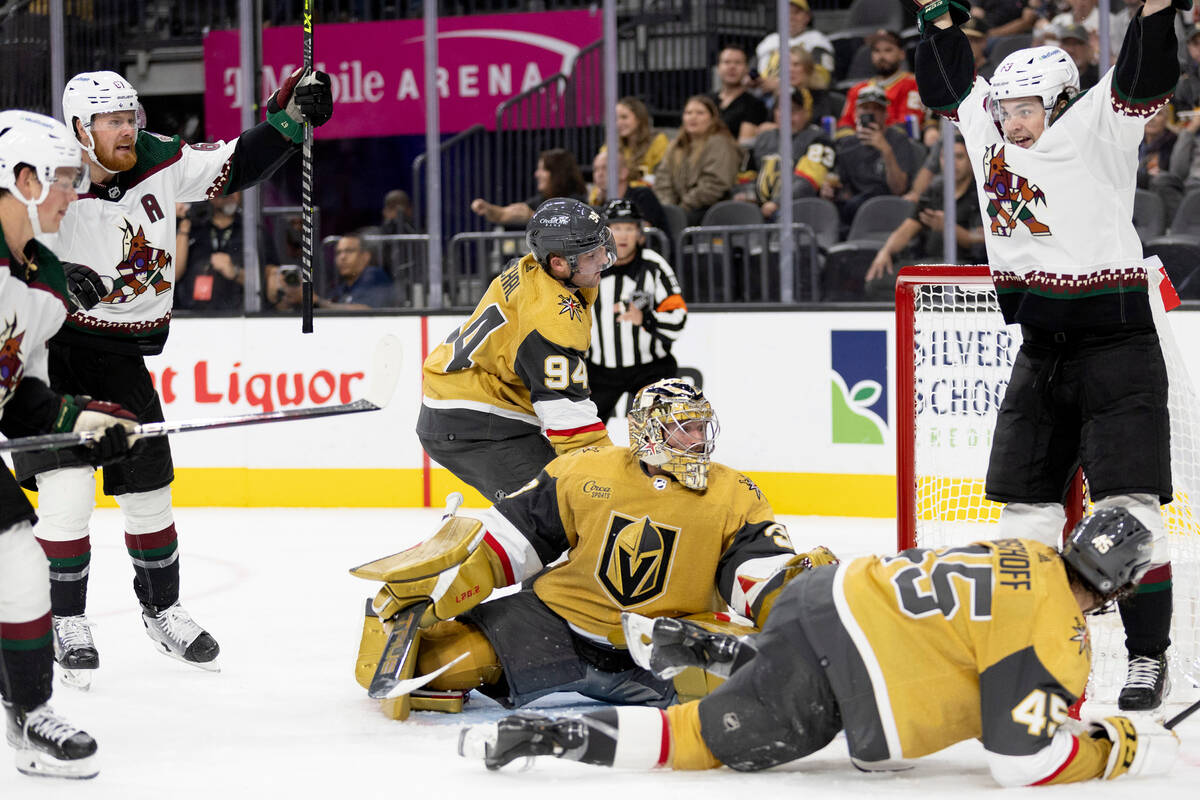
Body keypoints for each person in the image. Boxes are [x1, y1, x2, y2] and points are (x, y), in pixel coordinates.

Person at [10, 68, 333, 687]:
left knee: (149, 484)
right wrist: (48, 265)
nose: (128, 130)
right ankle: (65, 620)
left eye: (130, 117)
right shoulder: (48, 173)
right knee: (69, 494)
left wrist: (290, 121)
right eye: (113, 122)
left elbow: (236, 164)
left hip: (123, 356)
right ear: (80, 130)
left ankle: (162, 609)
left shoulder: (160, 158)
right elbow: (9, 231)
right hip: (55, 351)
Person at [464, 509, 1181, 787]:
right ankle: (550, 737)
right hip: (852, 665)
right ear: (1121, 589)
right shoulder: (1057, 632)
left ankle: (720, 652)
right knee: (702, 737)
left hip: (826, 595)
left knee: (837, 704)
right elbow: (1023, 761)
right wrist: (1116, 748)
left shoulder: (1022, 548)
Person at [911, 0, 1184, 710]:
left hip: (1117, 346)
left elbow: (1145, 74)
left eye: (1026, 107)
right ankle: (1029, 652)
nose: (1011, 121)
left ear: (1063, 101)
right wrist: (938, 22)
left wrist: (1156, 11)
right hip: (1039, 350)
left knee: (1128, 515)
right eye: (1005, 108)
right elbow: (947, 89)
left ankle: (1147, 657)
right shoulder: (992, 128)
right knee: (1023, 519)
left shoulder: (1100, 124)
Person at [357, 379, 837, 717]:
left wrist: (794, 593)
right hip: (559, 623)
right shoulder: (587, 471)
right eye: (682, 427)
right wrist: (446, 581)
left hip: (659, 639)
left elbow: (756, 570)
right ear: (647, 429)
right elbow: (513, 540)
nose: (695, 440)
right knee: (438, 667)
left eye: (700, 427)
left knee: (766, 683)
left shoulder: (735, 493)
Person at [0, 108, 140, 779]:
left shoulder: (40, 282)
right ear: (19, 178)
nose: (69, 194)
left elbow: (18, 392)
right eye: (58, 179)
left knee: (20, 562)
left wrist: (82, 423)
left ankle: (30, 719)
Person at [417, 199, 615, 503]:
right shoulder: (550, 320)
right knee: (556, 508)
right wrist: (616, 475)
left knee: (565, 496)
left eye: (602, 247)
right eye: (591, 255)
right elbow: (569, 421)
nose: (603, 260)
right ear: (559, 263)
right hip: (474, 418)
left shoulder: (539, 268)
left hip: (474, 403)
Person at [586, 200, 687, 420]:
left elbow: (678, 319)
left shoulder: (654, 266)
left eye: (629, 228)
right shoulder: (588, 265)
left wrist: (645, 318)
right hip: (598, 370)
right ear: (605, 233)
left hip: (650, 369)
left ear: (640, 234)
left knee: (658, 438)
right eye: (617, 228)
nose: (623, 236)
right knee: (584, 436)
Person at [865, 136, 986, 298]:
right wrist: (885, 251)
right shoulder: (934, 191)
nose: (952, 163)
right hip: (930, 264)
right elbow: (907, 229)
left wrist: (948, 228)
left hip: (968, 268)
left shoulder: (982, 193)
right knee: (877, 281)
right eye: (946, 157)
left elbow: (980, 238)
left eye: (959, 157)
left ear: (971, 160)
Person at [828, 85, 925, 225]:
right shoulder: (847, 144)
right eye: (865, 108)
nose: (871, 113)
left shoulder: (898, 140)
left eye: (877, 109)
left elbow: (899, 189)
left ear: (886, 114)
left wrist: (886, 150)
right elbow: (840, 186)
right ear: (855, 113)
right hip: (856, 209)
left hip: (889, 205)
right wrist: (829, 190)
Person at [737, 87, 835, 220]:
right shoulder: (763, 138)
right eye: (781, 108)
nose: (786, 114)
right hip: (758, 211)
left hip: (798, 211)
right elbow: (746, 175)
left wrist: (776, 203)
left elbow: (807, 181)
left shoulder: (819, 139)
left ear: (806, 112)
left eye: (793, 110)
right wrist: (747, 196)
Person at [653, 95, 742, 226]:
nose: (693, 117)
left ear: (712, 119)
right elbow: (662, 180)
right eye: (688, 113)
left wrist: (683, 206)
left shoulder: (720, 143)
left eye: (700, 113)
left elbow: (715, 184)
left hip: (709, 210)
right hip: (679, 209)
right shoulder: (675, 146)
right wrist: (669, 207)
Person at [174, 192, 252, 312]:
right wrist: (185, 222)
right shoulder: (193, 226)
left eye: (236, 190)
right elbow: (174, 274)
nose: (231, 194)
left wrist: (236, 272)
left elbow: (265, 281)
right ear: (211, 197)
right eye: (226, 192)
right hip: (189, 314)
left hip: (237, 313)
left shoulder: (250, 229)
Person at [470, 149, 587, 229]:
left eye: (542, 169)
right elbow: (502, 214)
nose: (536, 174)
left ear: (558, 173)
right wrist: (488, 208)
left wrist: (533, 216)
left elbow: (572, 225)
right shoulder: (541, 201)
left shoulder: (577, 202)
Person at [837, 30, 926, 131]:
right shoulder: (856, 90)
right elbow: (844, 123)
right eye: (876, 51)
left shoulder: (913, 84)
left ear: (902, 54)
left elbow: (910, 123)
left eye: (888, 50)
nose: (881, 56)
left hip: (897, 143)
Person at [754, 0, 835, 93]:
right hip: (765, 97)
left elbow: (823, 78)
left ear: (807, 17)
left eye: (796, 12)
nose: (791, 17)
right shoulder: (768, 43)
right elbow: (752, 72)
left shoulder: (818, 42)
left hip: (804, 99)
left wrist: (779, 84)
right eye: (786, 12)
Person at [587, 149, 668, 235]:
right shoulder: (598, 204)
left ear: (623, 172)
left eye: (605, 168)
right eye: (596, 169)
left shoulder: (643, 196)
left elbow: (641, 238)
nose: (599, 174)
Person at [710, 46, 768, 143]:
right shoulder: (706, 100)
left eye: (738, 63)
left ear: (746, 68)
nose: (732, 67)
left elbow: (744, 146)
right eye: (727, 62)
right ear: (718, 67)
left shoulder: (754, 105)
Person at [326, 231, 394, 309]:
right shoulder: (343, 286)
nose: (342, 257)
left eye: (349, 251)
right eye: (338, 253)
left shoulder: (375, 276)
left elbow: (364, 311)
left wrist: (320, 302)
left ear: (365, 256)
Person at [609, 97, 669, 183]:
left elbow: (660, 179)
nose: (618, 123)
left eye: (624, 117)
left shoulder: (658, 141)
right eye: (616, 119)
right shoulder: (612, 145)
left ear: (639, 119)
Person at [1059, 23, 1100, 91]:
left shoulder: (1099, 76)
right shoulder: (1054, 77)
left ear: (1088, 48)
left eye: (1076, 44)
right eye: (1066, 44)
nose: (1071, 50)